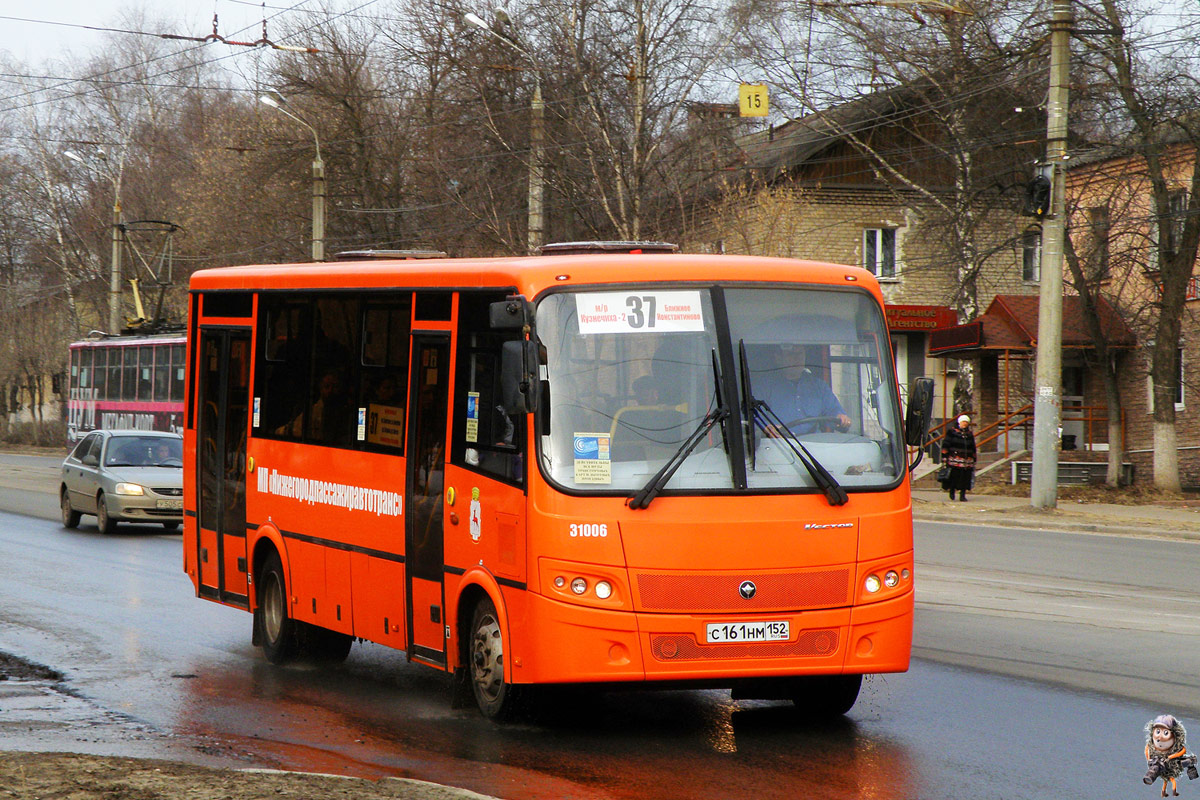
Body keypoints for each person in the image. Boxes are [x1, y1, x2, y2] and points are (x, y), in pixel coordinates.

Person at [757, 344, 851, 434]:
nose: (797, 359)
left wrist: (841, 418)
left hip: (813, 446)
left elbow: (834, 412)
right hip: (778, 444)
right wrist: (767, 427)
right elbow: (753, 417)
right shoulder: (764, 387)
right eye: (791, 354)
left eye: (800, 354)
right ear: (778, 358)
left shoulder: (818, 386)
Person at [941, 414, 977, 501]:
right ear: (959, 422)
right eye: (963, 422)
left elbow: (973, 446)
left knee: (965, 478)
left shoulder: (969, 434)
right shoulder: (952, 432)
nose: (964, 424)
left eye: (966, 422)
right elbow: (946, 444)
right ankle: (952, 491)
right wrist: (945, 456)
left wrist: (974, 457)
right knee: (954, 476)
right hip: (954, 459)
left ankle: (962, 495)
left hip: (967, 461)